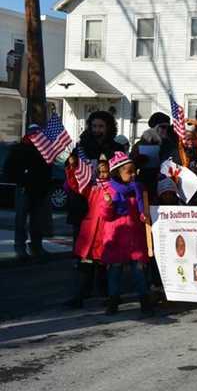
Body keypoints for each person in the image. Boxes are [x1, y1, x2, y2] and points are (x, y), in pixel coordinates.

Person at [101, 152, 153, 316]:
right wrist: (108, 204)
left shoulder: (138, 188)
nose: (132, 175)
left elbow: (143, 210)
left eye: (133, 171)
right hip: (116, 238)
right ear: (118, 172)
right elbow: (105, 216)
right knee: (115, 272)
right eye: (128, 172)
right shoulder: (109, 189)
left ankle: (144, 300)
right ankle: (113, 300)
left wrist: (144, 215)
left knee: (139, 271)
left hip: (134, 238)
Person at [64, 159, 111, 308]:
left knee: (103, 267)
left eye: (105, 172)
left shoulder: (113, 187)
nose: (103, 174)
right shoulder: (92, 187)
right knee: (85, 266)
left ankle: (106, 295)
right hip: (90, 232)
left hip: (104, 232)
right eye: (100, 171)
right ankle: (81, 295)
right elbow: (75, 185)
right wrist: (72, 168)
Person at [4, 127, 53, 258]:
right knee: (21, 220)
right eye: (33, 134)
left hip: (39, 190)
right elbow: (8, 170)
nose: (36, 137)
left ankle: (36, 246)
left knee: (37, 221)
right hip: (24, 189)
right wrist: (22, 179)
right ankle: (20, 247)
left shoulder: (44, 150)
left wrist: (46, 185)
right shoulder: (19, 149)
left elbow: (48, 170)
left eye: (38, 134)